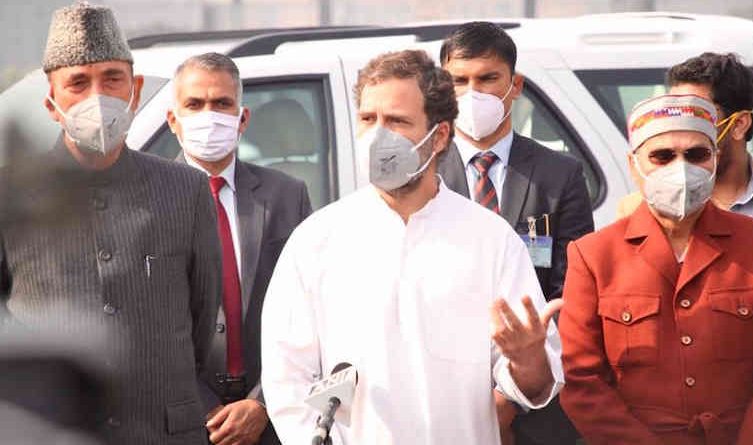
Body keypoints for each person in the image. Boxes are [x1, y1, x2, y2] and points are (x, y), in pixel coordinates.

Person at [260, 49, 564, 445]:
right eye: (369, 119)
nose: (378, 135)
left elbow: (537, 385)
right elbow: (288, 378)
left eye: (397, 121)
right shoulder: (317, 239)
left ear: (439, 136)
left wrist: (528, 361)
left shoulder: (490, 238)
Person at [0, 3, 220, 444]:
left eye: (111, 79)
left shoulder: (187, 190)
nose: (96, 97)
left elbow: (201, 317)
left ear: (134, 90)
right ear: (51, 102)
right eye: (78, 83)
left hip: (165, 432)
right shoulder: (13, 196)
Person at [559, 94, 753, 444]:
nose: (681, 169)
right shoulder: (594, 255)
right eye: (663, 156)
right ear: (634, 164)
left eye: (697, 155)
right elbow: (582, 379)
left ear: (716, 160)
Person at [438, 21, 591, 445]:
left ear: (515, 84)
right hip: (444, 400)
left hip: (537, 405)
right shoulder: (423, 176)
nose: (474, 93)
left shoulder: (559, 175)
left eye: (488, 78)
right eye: (459, 81)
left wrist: (514, 391)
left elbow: (571, 293)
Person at [167, 52, 312, 445]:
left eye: (222, 104)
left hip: (272, 420)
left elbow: (310, 313)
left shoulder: (287, 196)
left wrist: (262, 404)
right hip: (185, 422)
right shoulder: (150, 202)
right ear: (173, 120)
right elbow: (146, 324)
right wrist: (204, 407)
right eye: (194, 104)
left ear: (242, 118)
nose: (208, 115)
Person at [617, 52, 753, 230]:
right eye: (675, 115)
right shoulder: (634, 208)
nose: (682, 130)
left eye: (697, 116)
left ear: (738, 125)